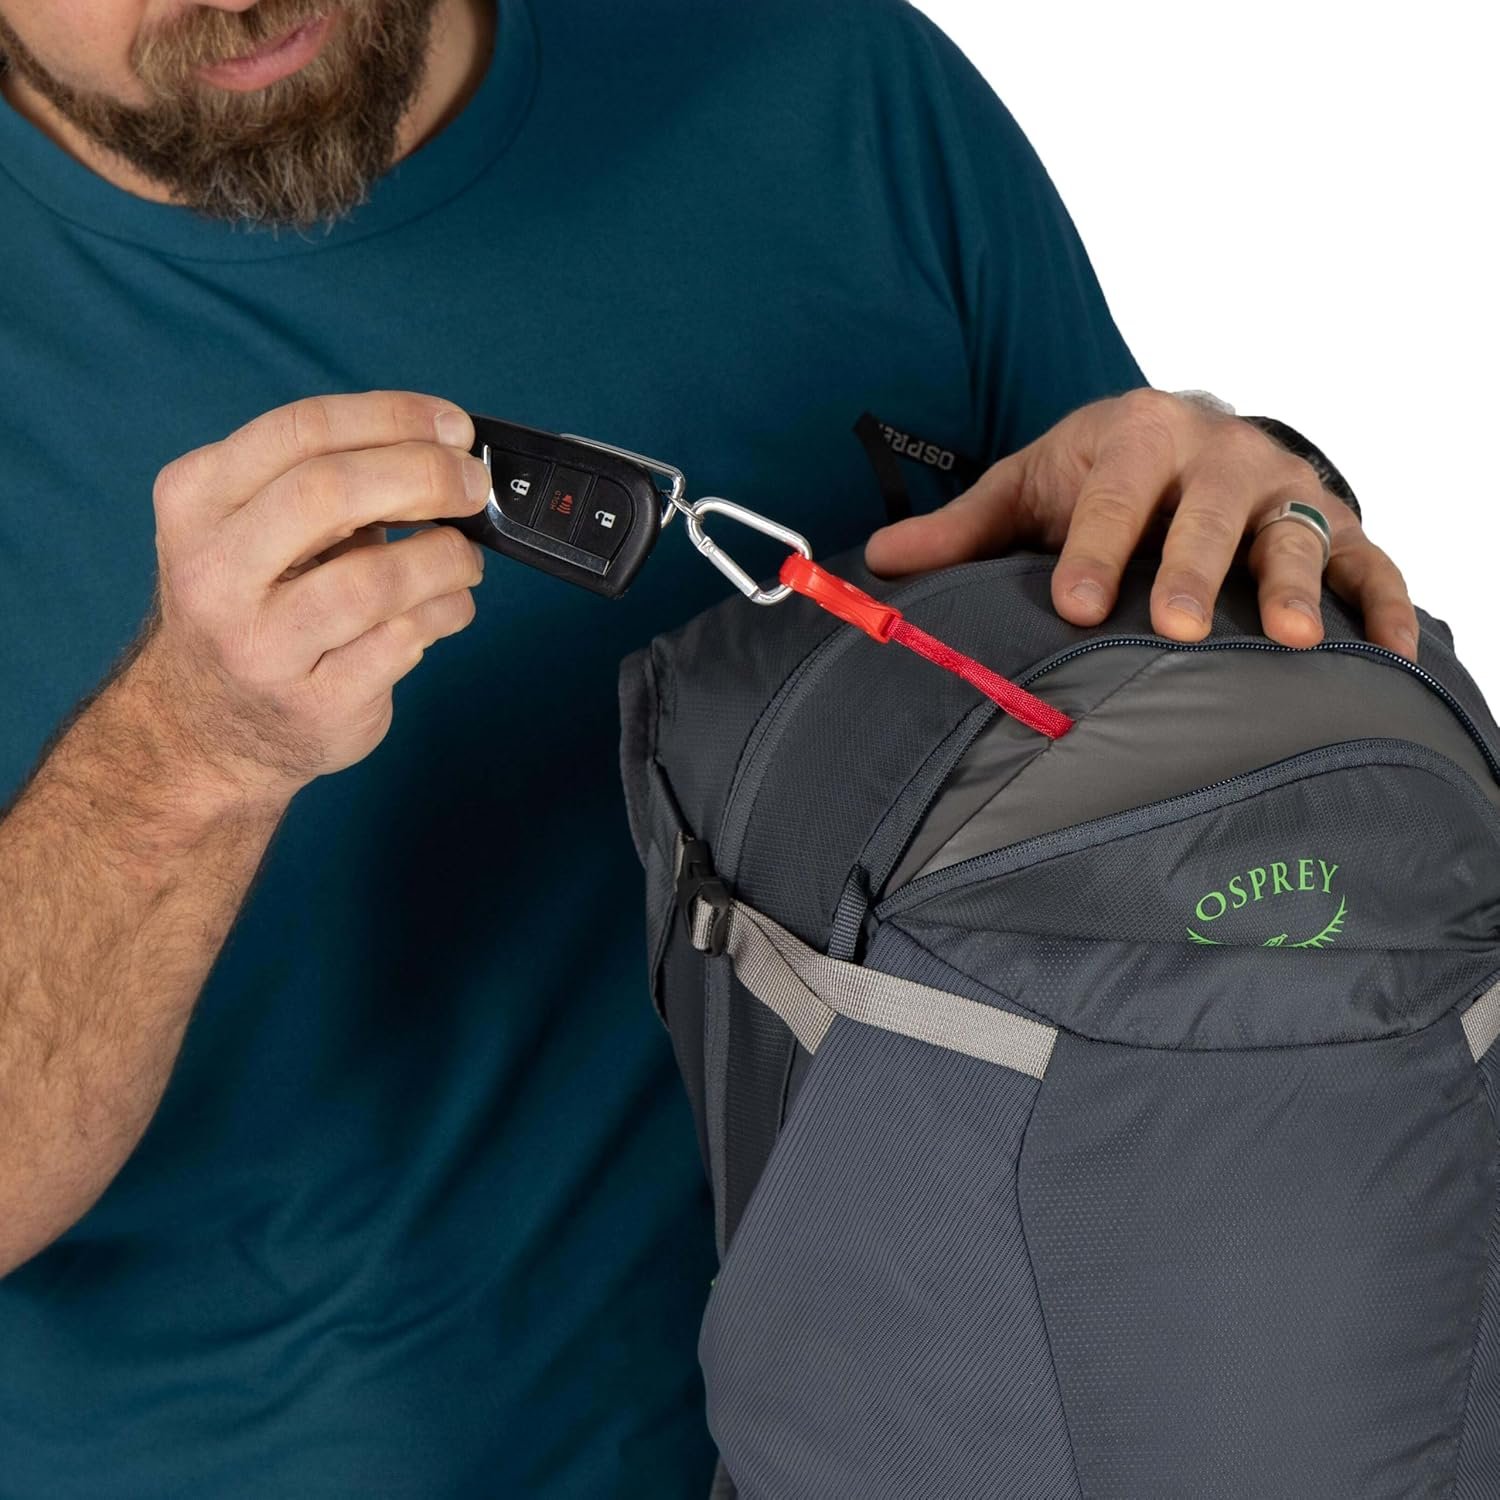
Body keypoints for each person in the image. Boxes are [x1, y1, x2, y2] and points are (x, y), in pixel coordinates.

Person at [0, 0, 1418, 1495]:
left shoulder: (833, 81)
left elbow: (1172, 791)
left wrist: (1250, 516)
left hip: (958, 1433)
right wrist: (180, 758)